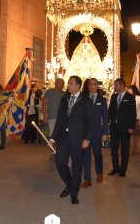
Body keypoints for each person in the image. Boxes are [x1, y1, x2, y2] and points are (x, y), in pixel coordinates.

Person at [49, 75, 94, 205]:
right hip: (64, 138)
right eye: (68, 83)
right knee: (60, 161)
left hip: (79, 139)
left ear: (78, 86)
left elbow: (91, 122)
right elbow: (60, 120)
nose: (68, 86)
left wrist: (87, 139)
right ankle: (69, 185)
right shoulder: (65, 99)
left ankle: (74, 193)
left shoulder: (86, 100)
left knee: (76, 166)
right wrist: (52, 138)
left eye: (70, 83)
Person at [81, 78, 109, 188]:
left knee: (97, 154)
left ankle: (99, 172)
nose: (92, 86)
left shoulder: (102, 100)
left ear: (97, 86)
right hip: (85, 133)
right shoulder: (83, 99)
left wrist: (105, 133)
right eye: (90, 84)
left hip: (97, 132)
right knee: (85, 156)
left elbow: (105, 118)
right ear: (88, 86)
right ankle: (87, 179)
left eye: (94, 84)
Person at [107, 78, 136, 177]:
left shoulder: (130, 97)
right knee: (113, 148)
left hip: (125, 128)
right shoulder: (114, 97)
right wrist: (106, 123)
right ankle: (116, 168)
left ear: (122, 85)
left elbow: (133, 113)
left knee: (124, 150)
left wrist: (132, 127)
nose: (114, 87)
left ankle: (123, 170)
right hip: (114, 128)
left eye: (116, 85)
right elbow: (110, 111)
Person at [128, 85, 140, 155]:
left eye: (130, 89)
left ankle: (134, 149)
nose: (128, 91)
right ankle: (132, 149)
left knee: (136, 134)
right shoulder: (127, 98)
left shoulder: (139, 98)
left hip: (137, 118)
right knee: (131, 134)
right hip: (129, 118)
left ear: (133, 90)